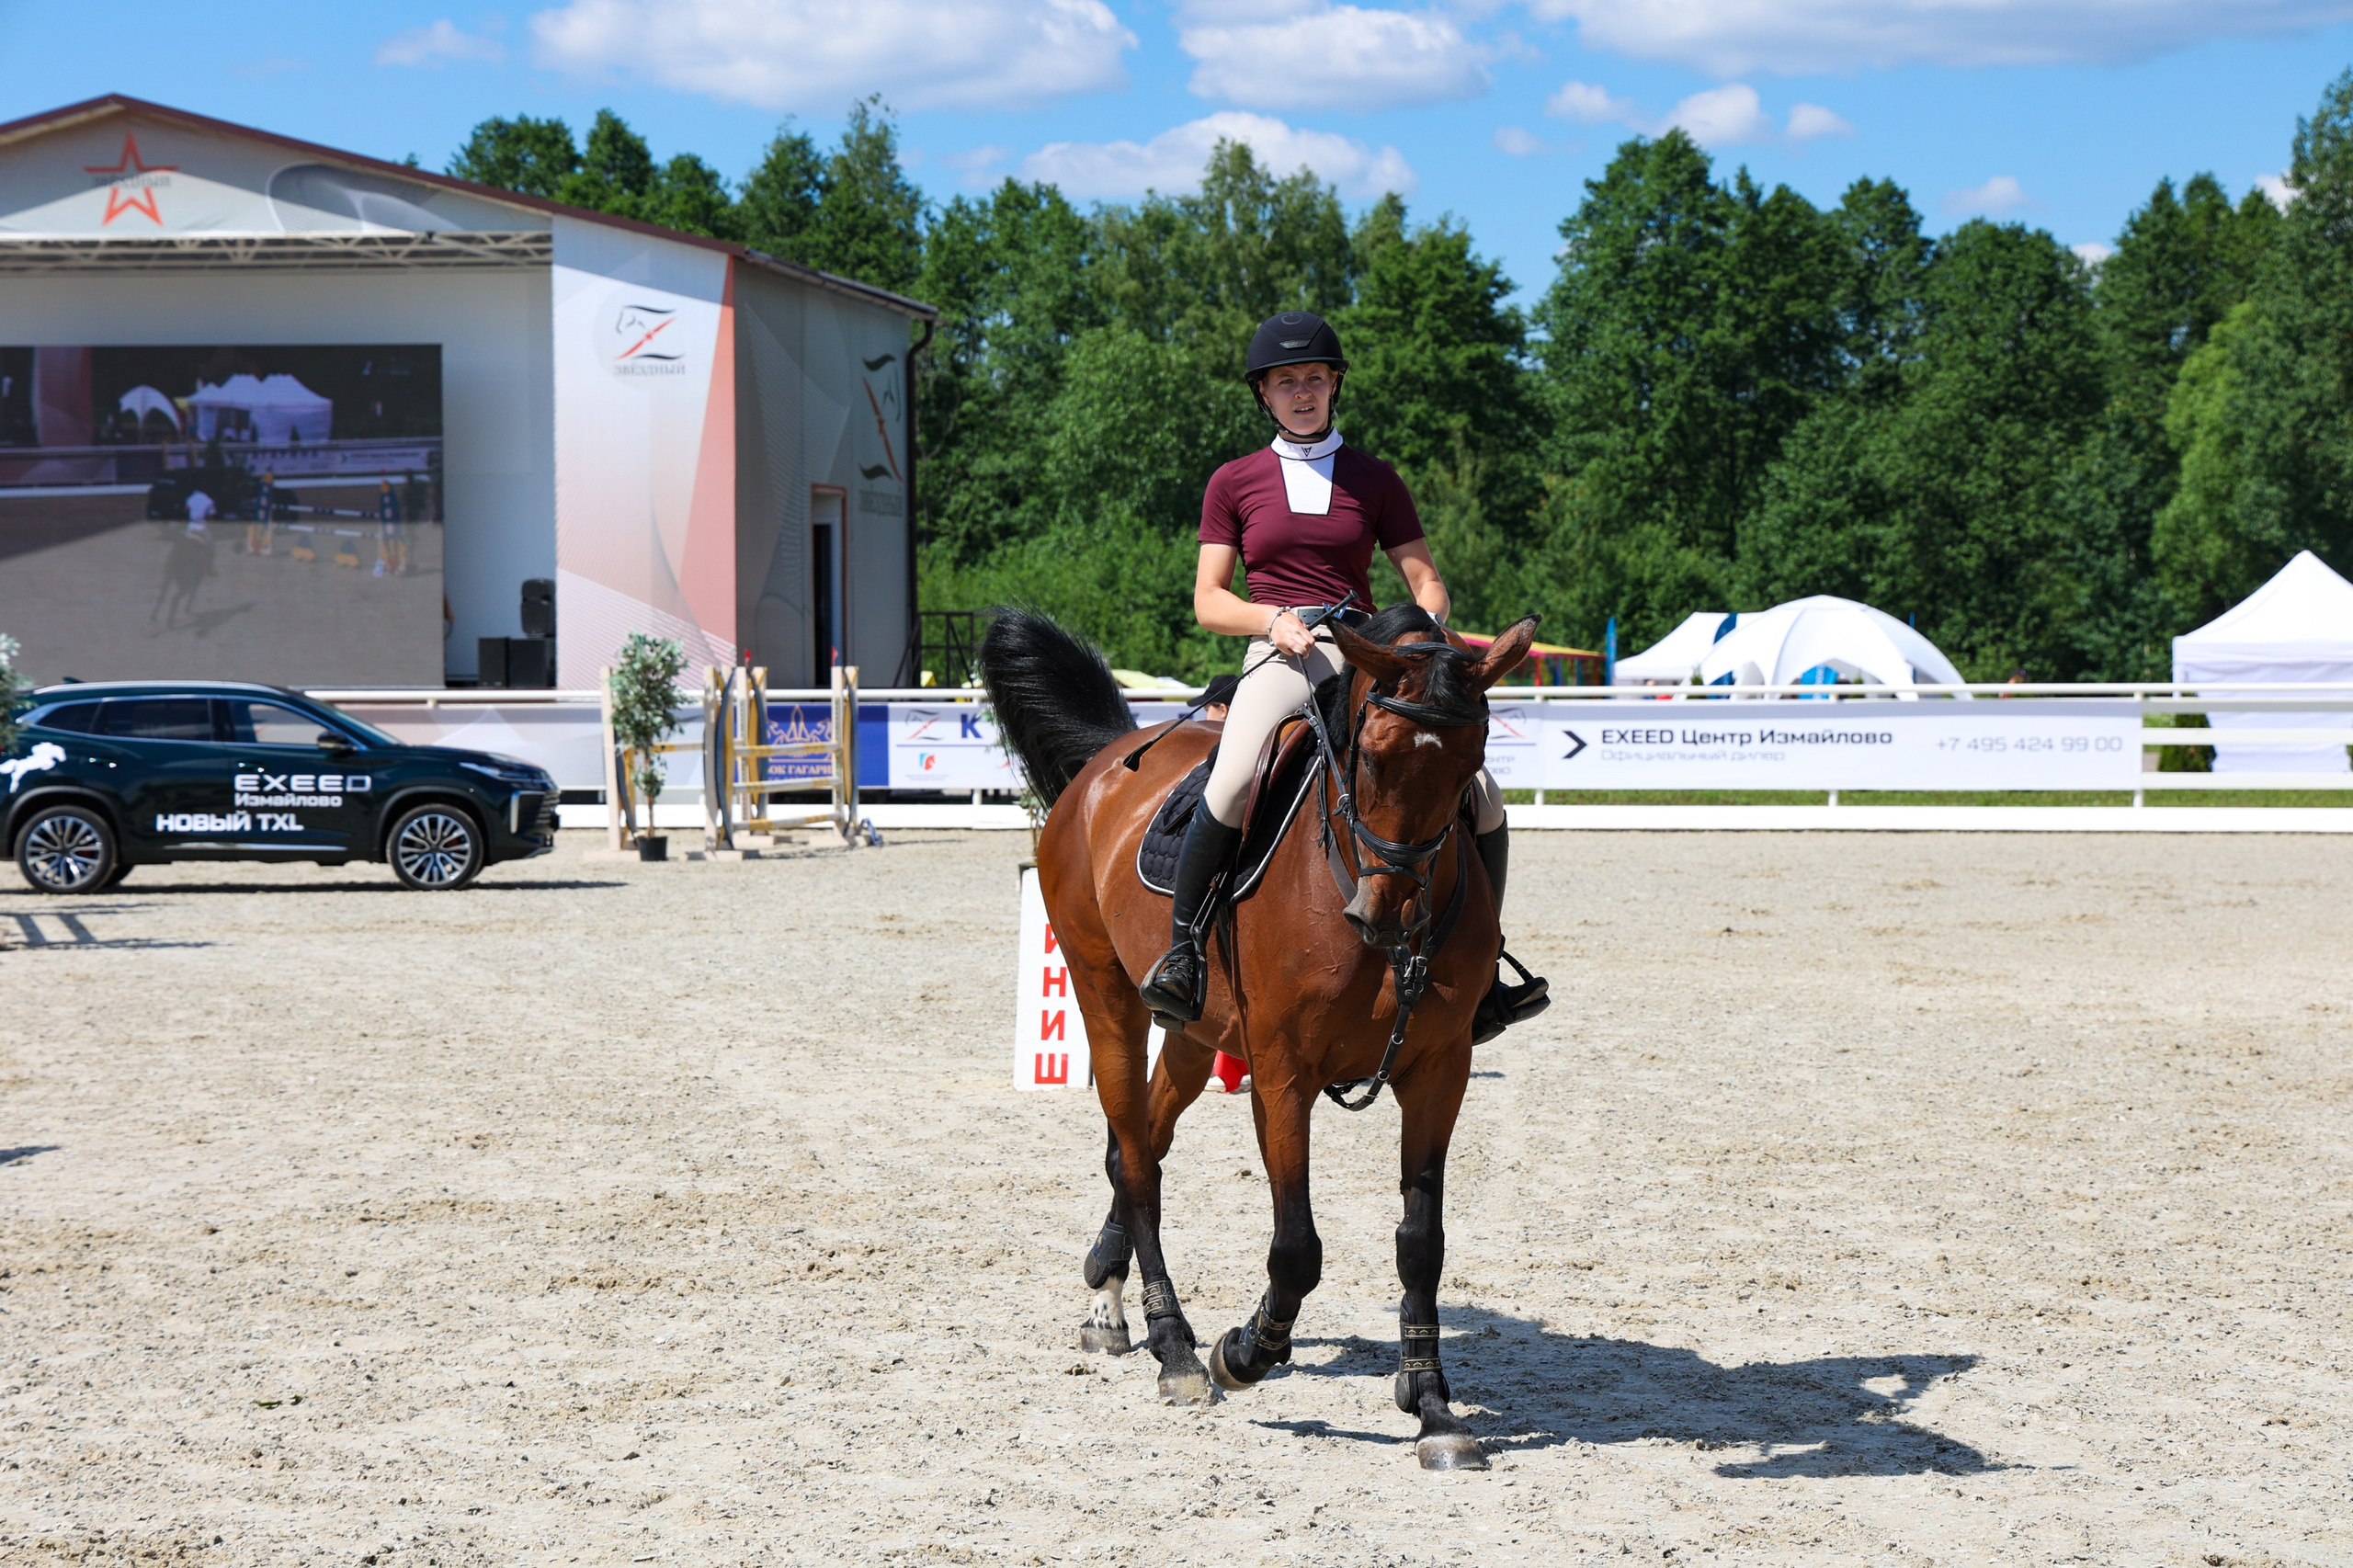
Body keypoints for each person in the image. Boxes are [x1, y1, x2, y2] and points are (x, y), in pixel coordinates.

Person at [1136, 310, 1547, 1044]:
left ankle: (1483, 971)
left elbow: (1428, 584)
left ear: (1335, 387)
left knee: (1482, 795)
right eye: (1287, 382)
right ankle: (1185, 954)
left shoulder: (1375, 479)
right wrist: (1270, 621)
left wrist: (1419, 642)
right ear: (1264, 393)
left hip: (1374, 653)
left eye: (1315, 380)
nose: (1303, 393)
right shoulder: (1234, 481)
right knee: (1231, 782)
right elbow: (1209, 600)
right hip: (1286, 652)